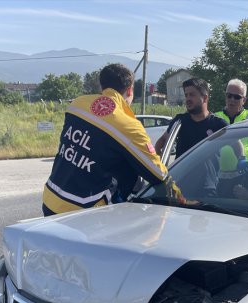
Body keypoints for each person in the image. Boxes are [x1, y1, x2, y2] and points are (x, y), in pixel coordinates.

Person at [42, 63, 183, 216]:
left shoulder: (77, 104)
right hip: (83, 211)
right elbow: (158, 174)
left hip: (51, 200)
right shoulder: (127, 125)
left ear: (102, 86)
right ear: (129, 90)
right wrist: (183, 201)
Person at [154, 78, 228, 159]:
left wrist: (241, 162)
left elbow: (237, 146)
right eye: (186, 95)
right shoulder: (179, 122)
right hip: (181, 172)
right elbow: (159, 143)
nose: (188, 99)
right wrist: (161, 167)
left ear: (205, 98)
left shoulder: (218, 124)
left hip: (209, 172)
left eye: (192, 95)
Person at [214, 79, 248, 184]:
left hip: (244, 175)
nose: (232, 100)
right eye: (229, 95)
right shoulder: (215, 118)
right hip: (217, 177)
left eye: (237, 97)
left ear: (244, 100)